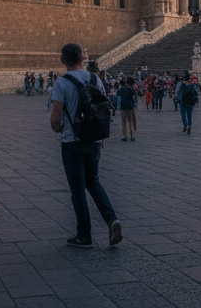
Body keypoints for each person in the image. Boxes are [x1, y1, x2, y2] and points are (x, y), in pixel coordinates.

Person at [49, 42, 122, 248]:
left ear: (63, 61)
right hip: (95, 140)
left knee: (78, 189)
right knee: (94, 181)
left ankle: (84, 235)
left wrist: (60, 129)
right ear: (83, 59)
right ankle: (112, 220)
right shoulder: (95, 78)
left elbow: (55, 121)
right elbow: (101, 109)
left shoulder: (61, 83)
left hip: (72, 142)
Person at [116, 76, 137, 141]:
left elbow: (118, 98)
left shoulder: (120, 89)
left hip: (123, 106)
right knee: (130, 121)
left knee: (123, 121)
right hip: (130, 106)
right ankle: (132, 135)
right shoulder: (131, 89)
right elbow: (134, 97)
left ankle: (125, 135)